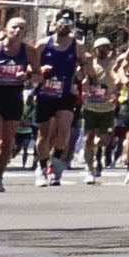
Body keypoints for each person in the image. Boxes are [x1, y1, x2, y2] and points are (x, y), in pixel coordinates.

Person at [29, 17, 83, 188]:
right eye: (61, 23)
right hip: (46, 93)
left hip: (66, 93)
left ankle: (57, 160)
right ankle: (42, 166)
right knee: (44, 135)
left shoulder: (77, 45)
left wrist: (80, 77)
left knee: (64, 129)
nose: (64, 27)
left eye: (68, 25)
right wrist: (38, 70)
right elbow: (30, 66)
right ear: (55, 25)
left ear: (72, 28)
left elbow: (85, 64)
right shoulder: (43, 44)